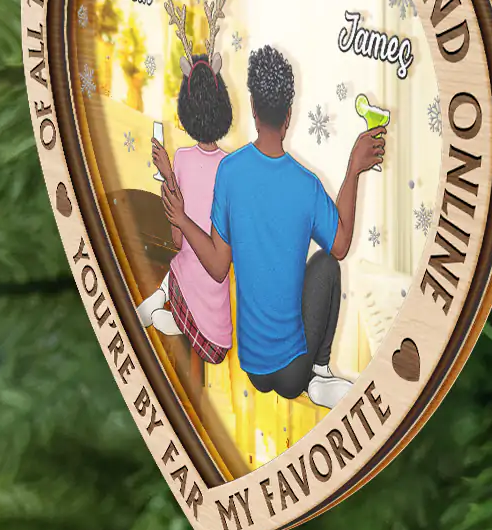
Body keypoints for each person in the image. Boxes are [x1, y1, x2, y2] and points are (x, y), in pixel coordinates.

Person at [161, 45, 385, 408]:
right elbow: (341, 245)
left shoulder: (229, 171)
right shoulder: (306, 185)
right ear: (289, 116)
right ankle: (319, 373)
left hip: (252, 365)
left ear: (252, 108)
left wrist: (183, 220)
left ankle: (314, 375)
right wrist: (353, 170)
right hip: (293, 372)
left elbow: (218, 266)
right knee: (326, 264)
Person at [136, 0, 234, 364]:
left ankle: (165, 305)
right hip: (216, 333)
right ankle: (165, 308)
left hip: (187, 285)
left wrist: (168, 176)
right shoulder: (232, 167)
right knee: (216, 349)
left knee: (180, 265)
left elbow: (178, 241)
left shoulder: (181, 159)